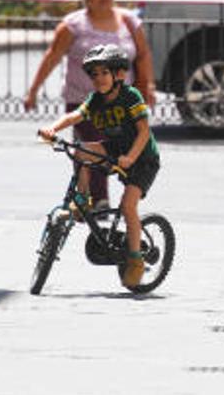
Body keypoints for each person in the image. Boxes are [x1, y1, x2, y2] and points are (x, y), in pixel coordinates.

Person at [25, 0, 156, 212]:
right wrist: (34, 90)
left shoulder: (129, 21)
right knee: (88, 146)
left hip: (120, 102)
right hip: (83, 99)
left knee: (114, 148)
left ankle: (104, 197)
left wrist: (148, 86)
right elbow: (52, 57)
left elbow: (143, 54)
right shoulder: (73, 25)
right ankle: (96, 199)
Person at [38, 44, 160, 288]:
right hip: (115, 150)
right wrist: (53, 129)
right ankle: (83, 199)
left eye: (104, 73)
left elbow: (144, 133)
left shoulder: (130, 97)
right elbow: (74, 117)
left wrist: (131, 158)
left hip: (142, 158)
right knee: (81, 150)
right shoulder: (95, 100)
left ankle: (135, 260)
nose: (99, 79)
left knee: (128, 206)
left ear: (119, 75)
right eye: (94, 74)